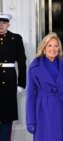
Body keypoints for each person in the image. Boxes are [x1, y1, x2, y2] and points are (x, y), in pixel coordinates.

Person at [26, 32, 63, 141]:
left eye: (56, 46)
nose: (53, 49)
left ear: (59, 49)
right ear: (44, 48)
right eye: (50, 45)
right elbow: (30, 96)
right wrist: (30, 120)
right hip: (43, 111)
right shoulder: (34, 67)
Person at [0, 13, 26, 141]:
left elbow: (22, 62)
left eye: (4, 22)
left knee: (6, 118)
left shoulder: (15, 39)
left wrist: (21, 84)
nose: (1, 25)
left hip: (9, 82)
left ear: (8, 24)